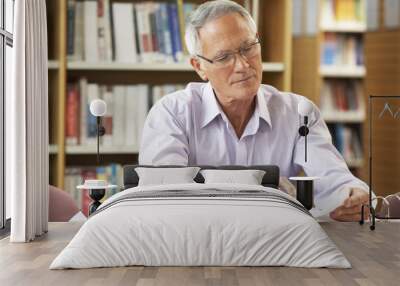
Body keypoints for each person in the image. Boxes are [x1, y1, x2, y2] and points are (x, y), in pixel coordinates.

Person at [139, 0, 369, 221]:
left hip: (277, 242)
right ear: (199, 67)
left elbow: (333, 180)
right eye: (223, 57)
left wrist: (353, 194)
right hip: (198, 242)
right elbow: (163, 194)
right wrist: (257, 189)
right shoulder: (172, 114)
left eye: (248, 48)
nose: (243, 65)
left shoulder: (299, 113)